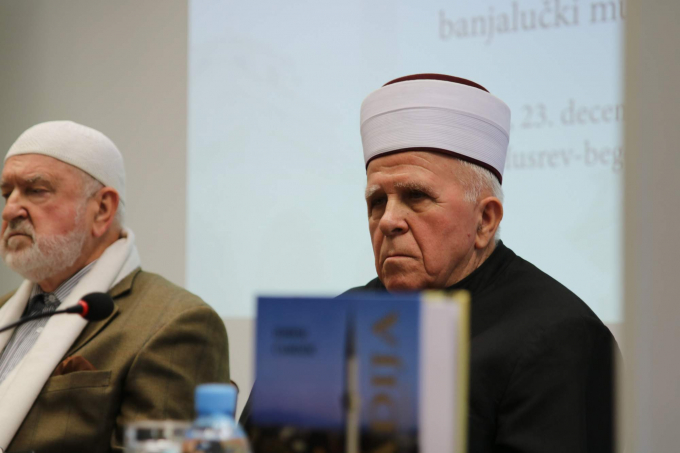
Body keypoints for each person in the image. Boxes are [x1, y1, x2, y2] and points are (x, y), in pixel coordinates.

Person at [343, 74, 619, 452]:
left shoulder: (561, 338)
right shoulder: (342, 318)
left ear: (485, 220)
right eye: (377, 201)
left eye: (416, 196)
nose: (388, 220)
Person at [0, 121, 229, 453]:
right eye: (6, 194)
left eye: (36, 190)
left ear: (102, 209)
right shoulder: (5, 312)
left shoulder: (175, 323)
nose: (10, 210)